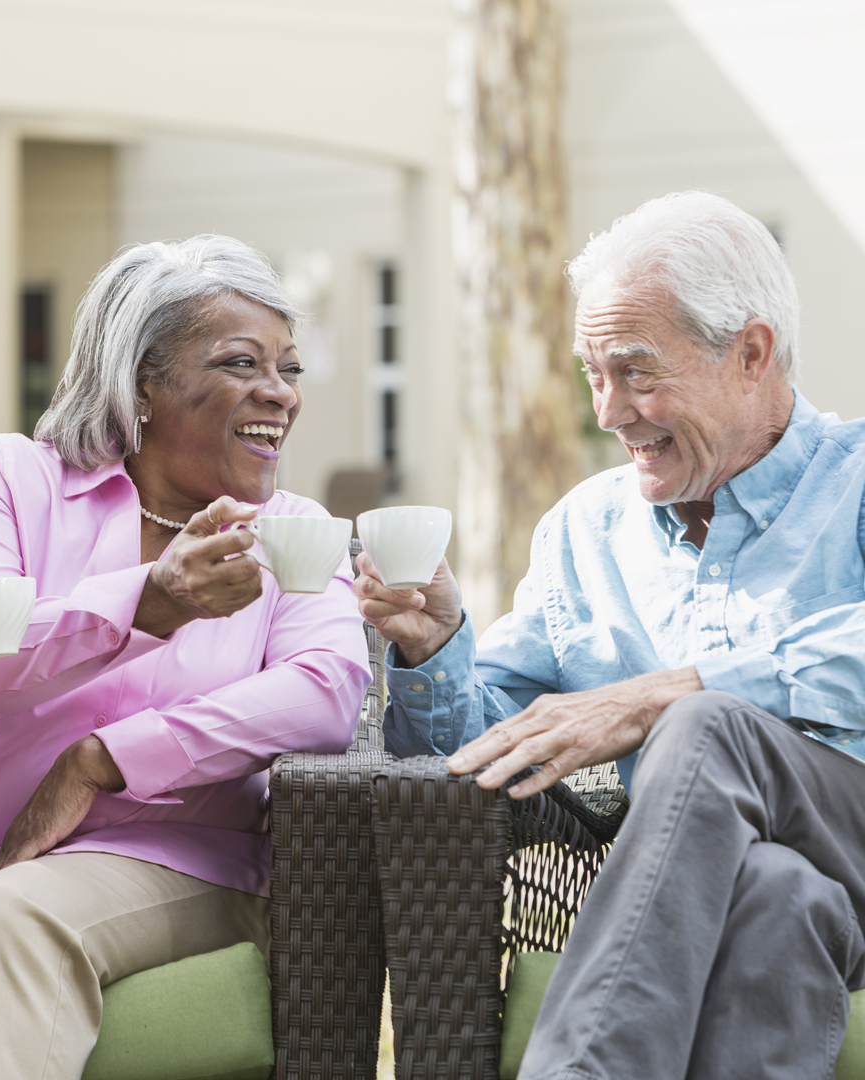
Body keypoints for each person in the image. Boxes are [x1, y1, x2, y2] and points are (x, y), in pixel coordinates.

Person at [0, 234, 372, 1079]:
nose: (278, 393)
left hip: (181, 856)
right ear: (141, 382)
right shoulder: (7, 478)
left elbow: (326, 695)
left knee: (16, 918)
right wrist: (149, 602)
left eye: (289, 368)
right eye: (243, 363)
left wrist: (103, 760)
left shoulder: (292, 531)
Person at [357, 190, 865, 1079]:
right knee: (776, 895)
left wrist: (671, 693)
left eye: (635, 370)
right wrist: (431, 652)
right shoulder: (584, 532)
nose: (609, 410)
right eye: (592, 372)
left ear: (751, 352)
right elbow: (494, 744)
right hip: (772, 894)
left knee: (705, 726)